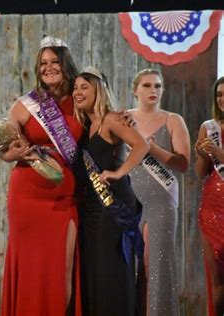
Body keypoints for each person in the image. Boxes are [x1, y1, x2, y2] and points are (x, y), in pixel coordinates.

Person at [0, 36, 83, 315]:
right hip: (27, 196)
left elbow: (105, 123)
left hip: (63, 199)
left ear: (65, 63)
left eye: (54, 61)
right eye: (43, 63)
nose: (48, 68)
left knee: (62, 272)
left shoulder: (82, 98)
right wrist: (17, 152)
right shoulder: (27, 104)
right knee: (30, 269)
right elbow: (4, 151)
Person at [73, 66, 149, 316]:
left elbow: (141, 145)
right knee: (95, 271)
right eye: (75, 88)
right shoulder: (86, 126)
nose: (77, 92)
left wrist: (119, 172)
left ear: (99, 90)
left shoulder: (111, 119)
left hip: (113, 205)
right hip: (92, 209)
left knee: (112, 271)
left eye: (84, 87)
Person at [127, 69, 190, 316]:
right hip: (129, 202)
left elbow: (183, 164)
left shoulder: (173, 120)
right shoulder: (123, 119)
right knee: (130, 268)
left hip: (161, 201)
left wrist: (153, 149)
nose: (153, 91)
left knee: (156, 269)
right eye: (147, 86)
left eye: (157, 86)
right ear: (135, 90)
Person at [195, 76, 224, 316]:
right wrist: (203, 155)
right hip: (212, 208)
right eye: (219, 94)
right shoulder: (209, 126)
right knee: (215, 279)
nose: (222, 99)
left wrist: (218, 152)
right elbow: (200, 172)